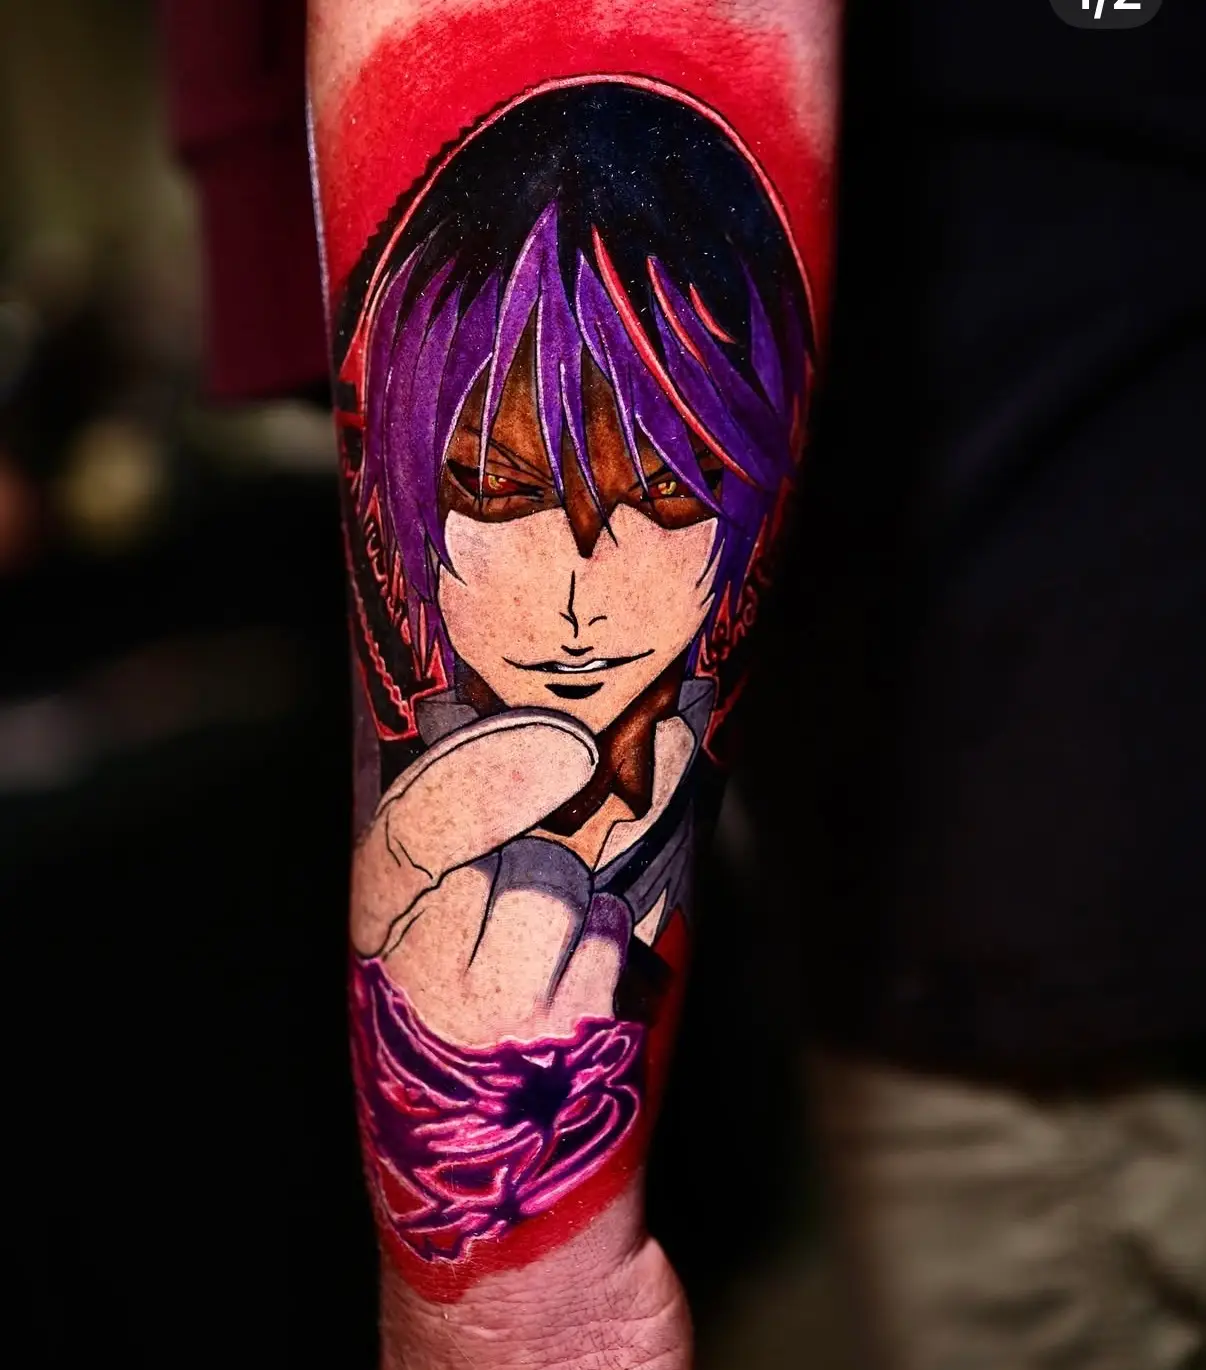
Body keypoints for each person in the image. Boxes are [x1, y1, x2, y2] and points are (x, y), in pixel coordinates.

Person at [162, 0, 1206, 1367]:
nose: (580, 592)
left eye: (664, 494)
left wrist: (518, 1292)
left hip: (1063, 937)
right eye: (499, 491)